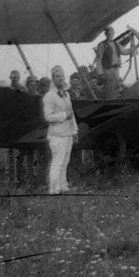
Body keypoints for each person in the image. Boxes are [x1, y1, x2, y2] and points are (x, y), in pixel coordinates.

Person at [42, 66, 78, 194]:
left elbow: (71, 113)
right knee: (58, 161)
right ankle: (53, 188)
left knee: (65, 161)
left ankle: (63, 185)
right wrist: (63, 115)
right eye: (57, 76)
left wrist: (74, 131)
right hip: (57, 134)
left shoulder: (66, 94)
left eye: (62, 75)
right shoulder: (49, 96)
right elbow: (48, 116)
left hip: (68, 133)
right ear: (53, 79)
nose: (61, 78)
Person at [94, 26, 135, 99]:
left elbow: (124, 51)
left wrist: (134, 48)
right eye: (108, 33)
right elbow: (99, 59)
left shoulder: (116, 44)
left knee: (116, 86)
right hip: (107, 70)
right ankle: (109, 102)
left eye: (111, 33)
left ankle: (115, 101)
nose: (110, 34)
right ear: (106, 34)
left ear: (113, 34)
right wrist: (100, 73)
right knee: (109, 87)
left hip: (116, 69)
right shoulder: (101, 45)